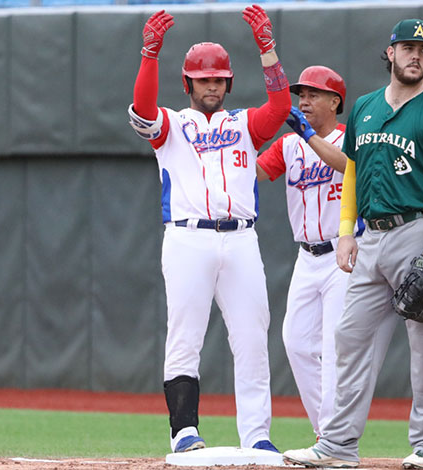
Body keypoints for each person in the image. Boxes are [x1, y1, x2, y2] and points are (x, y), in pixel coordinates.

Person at [283, 18, 423, 470]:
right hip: (372, 237)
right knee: (349, 338)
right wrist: (346, 232)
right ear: (390, 53)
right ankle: (338, 446)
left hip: (420, 229)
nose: (416, 56)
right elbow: (351, 175)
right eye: (408, 47)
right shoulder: (365, 107)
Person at [127, 5, 291, 454]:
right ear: (189, 84)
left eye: (218, 78)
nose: (212, 84)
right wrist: (149, 53)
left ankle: (257, 435)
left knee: (253, 337)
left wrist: (267, 48)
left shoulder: (243, 125)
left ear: (228, 83)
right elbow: (143, 108)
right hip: (187, 237)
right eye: (204, 78)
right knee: (185, 336)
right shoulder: (172, 124)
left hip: (240, 239)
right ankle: (184, 432)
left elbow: (280, 107)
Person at [256, 65, 362, 440]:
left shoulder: (352, 135)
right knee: (296, 342)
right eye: (301, 94)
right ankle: (329, 432)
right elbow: (255, 172)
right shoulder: (288, 144)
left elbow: (350, 166)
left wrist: (308, 136)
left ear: (335, 101)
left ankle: (333, 437)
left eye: (314, 94)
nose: (304, 100)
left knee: (335, 347)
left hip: (342, 254)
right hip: (306, 255)